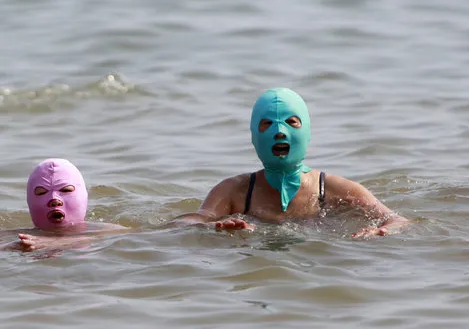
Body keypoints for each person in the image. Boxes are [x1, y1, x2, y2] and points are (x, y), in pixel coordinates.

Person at [174, 87, 409, 238]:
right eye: (267, 124)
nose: (279, 132)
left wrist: (380, 230)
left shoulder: (334, 189)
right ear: (254, 135)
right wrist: (210, 228)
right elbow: (194, 219)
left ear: (306, 132)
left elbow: (397, 219)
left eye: (292, 122)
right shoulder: (235, 191)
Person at [2, 158, 127, 252]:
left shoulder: (101, 231)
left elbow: (135, 234)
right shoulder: (18, 238)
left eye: (66, 190)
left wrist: (56, 243)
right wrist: (13, 247)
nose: (54, 199)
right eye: (42, 192)